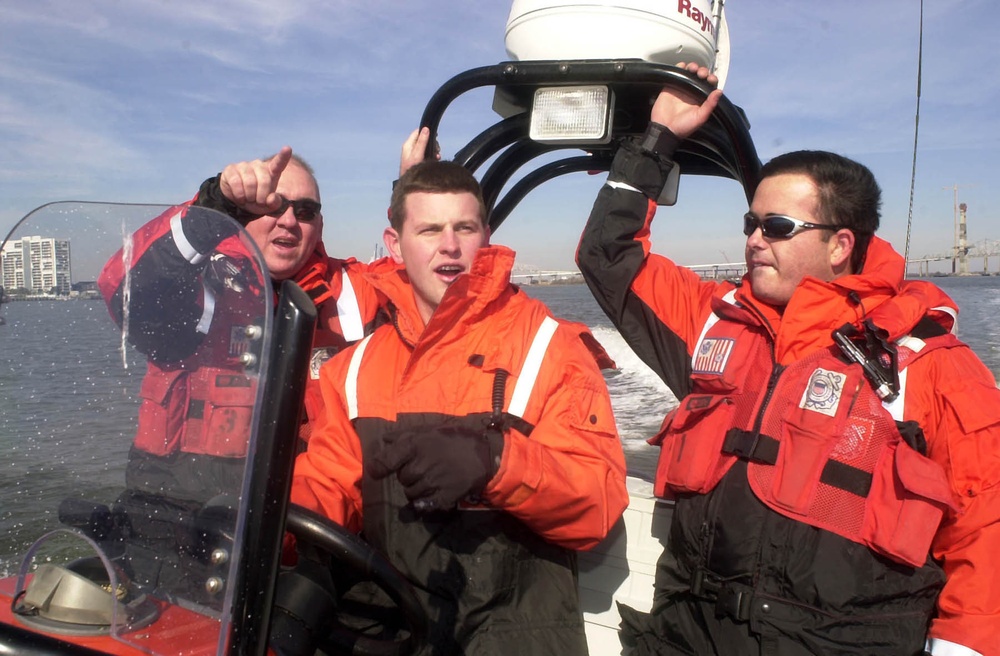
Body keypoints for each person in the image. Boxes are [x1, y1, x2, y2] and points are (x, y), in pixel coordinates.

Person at [576, 63, 1000, 655]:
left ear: (840, 244)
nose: (753, 239)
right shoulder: (712, 323)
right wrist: (659, 137)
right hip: (686, 632)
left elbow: (988, 526)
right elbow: (607, 255)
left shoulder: (929, 365)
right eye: (751, 222)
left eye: (776, 226)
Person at [290, 160, 630, 654]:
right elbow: (326, 487)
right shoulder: (354, 369)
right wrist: (264, 519)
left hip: (516, 631)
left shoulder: (551, 349)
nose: (449, 245)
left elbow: (597, 507)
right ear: (394, 244)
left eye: (464, 228)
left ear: (485, 236)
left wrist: (497, 461)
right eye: (429, 229)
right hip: (386, 623)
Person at [96, 136, 432, 601]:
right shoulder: (195, 286)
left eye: (306, 210)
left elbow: (440, 280)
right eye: (271, 207)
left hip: (309, 526)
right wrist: (212, 206)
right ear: (242, 217)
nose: (289, 221)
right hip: (179, 526)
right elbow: (126, 285)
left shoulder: (357, 292)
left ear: (320, 225)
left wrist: (417, 187)